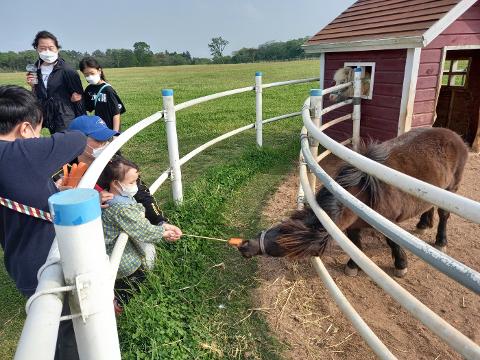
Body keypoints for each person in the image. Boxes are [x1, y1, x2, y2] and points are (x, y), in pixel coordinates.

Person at [0, 85, 87, 359]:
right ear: (25, 129)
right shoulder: (19, 154)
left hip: (19, 259)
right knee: (63, 335)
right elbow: (76, 139)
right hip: (43, 263)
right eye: (38, 130)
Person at [98, 156, 182, 304]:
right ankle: (119, 303)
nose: (135, 185)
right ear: (116, 183)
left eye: (136, 180)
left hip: (123, 246)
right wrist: (163, 232)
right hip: (116, 255)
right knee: (134, 277)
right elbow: (141, 229)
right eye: (131, 182)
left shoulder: (116, 196)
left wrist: (162, 225)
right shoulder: (119, 209)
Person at [67, 115, 167, 225]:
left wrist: (160, 221)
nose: (105, 144)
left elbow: (141, 192)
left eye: (107, 139)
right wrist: (91, 204)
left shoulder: (116, 163)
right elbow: (59, 212)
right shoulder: (61, 173)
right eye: (99, 139)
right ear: (77, 141)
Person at [26, 30, 85, 134]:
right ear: (37, 49)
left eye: (51, 48)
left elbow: (79, 97)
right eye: (43, 48)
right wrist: (33, 86)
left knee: (64, 143)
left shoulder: (67, 71)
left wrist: (82, 120)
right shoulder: (35, 69)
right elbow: (38, 94)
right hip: (45, 113)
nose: (47, 51)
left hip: (64, 116)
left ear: (57, 48)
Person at [79, 57, 126, 132]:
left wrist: (115, 133)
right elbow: (88, 108)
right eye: (86, 75)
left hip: (110, 129)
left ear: (99, 71)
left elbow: (116, 114)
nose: (90, 77)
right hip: (99, 128)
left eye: (92, 73)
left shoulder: (108, 90)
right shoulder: (89, 89)